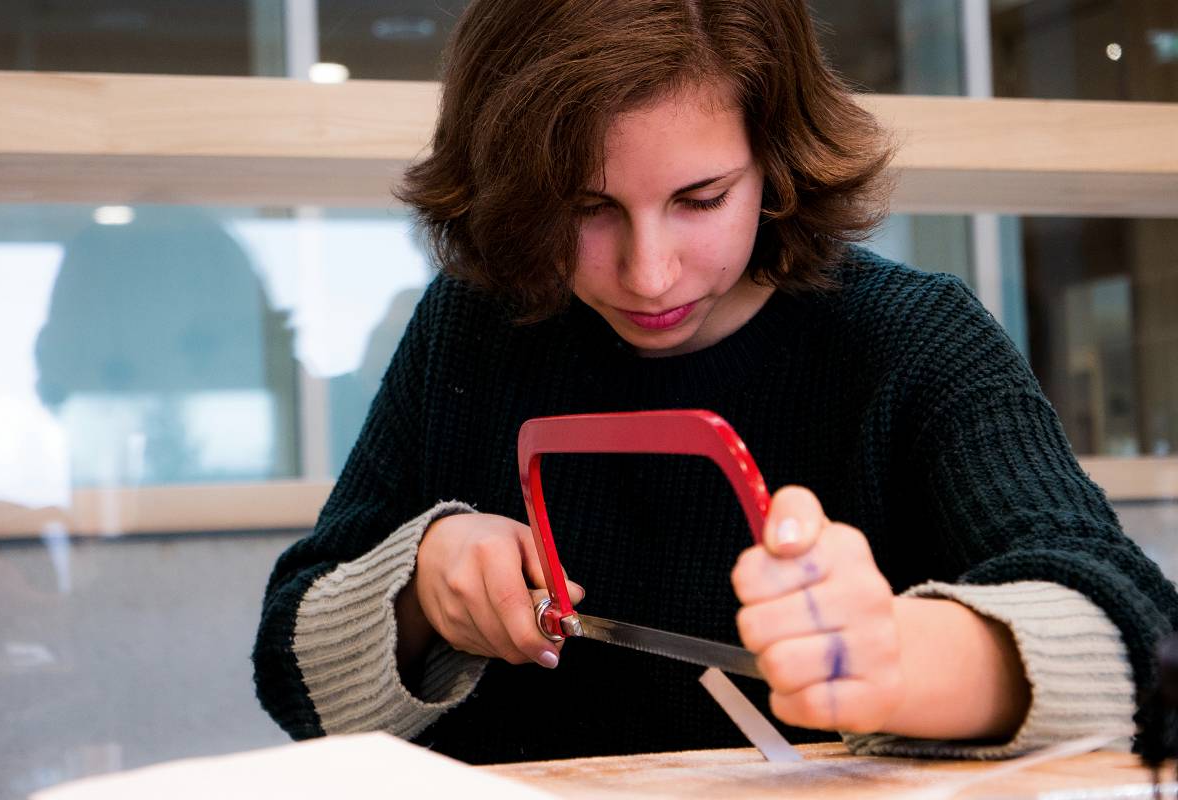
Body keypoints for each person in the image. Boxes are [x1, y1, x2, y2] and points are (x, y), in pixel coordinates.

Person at [253, 0, 1178, 764]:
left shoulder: (911, 340)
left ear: (775, 160)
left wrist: (913, 660)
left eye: (700, 200)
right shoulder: (473, 327)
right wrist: (422, 589)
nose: (649, 274)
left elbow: (1138, 632)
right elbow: (292, 675)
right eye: (587, 209)